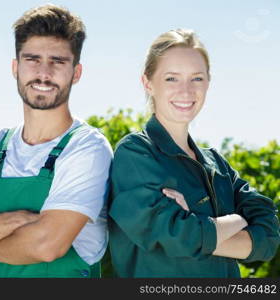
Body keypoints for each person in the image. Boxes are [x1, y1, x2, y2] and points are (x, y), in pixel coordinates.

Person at [0, 4, 112, 278]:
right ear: (15, 68)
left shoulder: (87, 148)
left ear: (76, 73)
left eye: (58, 61)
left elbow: (47, 245)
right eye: (32, 59)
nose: (44, 73)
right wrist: (21, 219)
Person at [108, 29, 280, 277]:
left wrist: (199, 229)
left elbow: (269, 239)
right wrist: (237, 220)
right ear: (148, 83)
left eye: (197, 78)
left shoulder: (217, 165)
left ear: (208, 82)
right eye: (171, 78)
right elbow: (179, 236)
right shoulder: (136, 154)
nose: (186, 91)